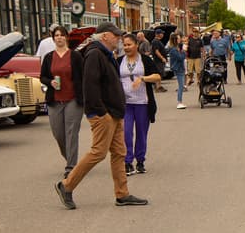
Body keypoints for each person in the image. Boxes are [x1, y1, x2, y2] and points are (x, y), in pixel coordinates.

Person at [53, 21, 148, 209]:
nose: (119, 39)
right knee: (98, 152)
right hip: (103, 114)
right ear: (105, 36)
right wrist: (100, 113)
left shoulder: (105, 54)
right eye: (116, 36)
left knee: (119, 153)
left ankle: (122, 194)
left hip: (114, 113)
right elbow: (90, 87)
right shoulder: (95, 54)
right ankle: (66, 185)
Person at [40, 25, 83, 179]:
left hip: (73, 99)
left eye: (61, 35)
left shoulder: (75, 56)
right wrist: (50, 82)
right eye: (56, 35)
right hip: (55, 100)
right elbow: (42, 77)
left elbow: (82, 77)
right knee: (58, 134)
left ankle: (71, 166)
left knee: (71, 134)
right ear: (53, 38)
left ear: (66, 37)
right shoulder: (49, 57)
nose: (59, 37)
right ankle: (70, 158)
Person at [118, 33, 160, 176]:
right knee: (126, 133)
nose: (126, 47)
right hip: (126, 104)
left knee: (142, 133)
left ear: (136, 45)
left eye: (129, 44)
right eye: (124, 45)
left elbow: (157, 76)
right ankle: (128, 162)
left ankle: (140, 161)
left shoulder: (146, 60)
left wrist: (142, 78)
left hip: (143, 103)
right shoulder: (119, 61)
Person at [168, 33, 187, 109]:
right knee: (181, 86)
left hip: (180, 68)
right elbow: (180, 57)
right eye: (178, 38)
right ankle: (179, 102)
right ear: (175, 40)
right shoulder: (173, 49)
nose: (180, 40)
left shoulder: (176, 48)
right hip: (178, 68)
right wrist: (183, 51)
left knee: (181, 86)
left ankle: (180, 101)